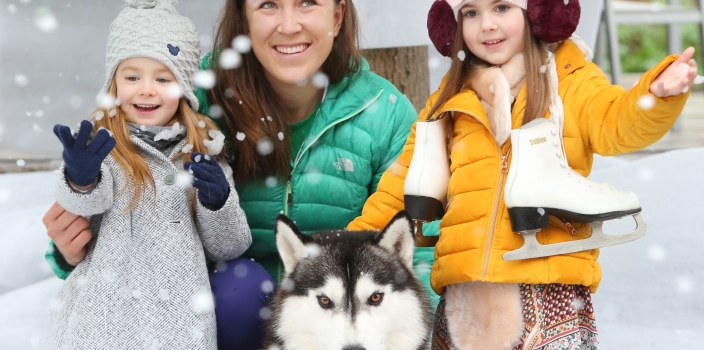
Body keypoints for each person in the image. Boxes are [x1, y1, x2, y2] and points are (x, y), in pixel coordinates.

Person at [43, 0, 437, 348]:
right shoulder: (189, 97)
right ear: (243, 19)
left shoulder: (383, 112)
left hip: (345, 318)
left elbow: (415, 245)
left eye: (307, 3)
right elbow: (120, 172)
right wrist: (71, 244)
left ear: (337, 15)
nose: (288, 24)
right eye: (267, 4)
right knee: (239, 285)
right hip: (221, 308)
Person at [347, 0, 698, 349]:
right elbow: (402, 183)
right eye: (470, 12)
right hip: (465, 292)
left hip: (549, 288)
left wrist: (655, 95)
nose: (486, 24)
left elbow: (616, 123)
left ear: (537, 11)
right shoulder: (451, 99)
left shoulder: (571, 82)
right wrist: (352, 245)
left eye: (501, 8)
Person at [43, 1, 252, 349]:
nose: (146, 89)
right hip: (102, 318)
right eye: (132, 77)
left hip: (178, 321)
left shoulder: (201, 153)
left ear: (183, 88)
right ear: (114, 83)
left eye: (163, 78)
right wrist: (81, 179)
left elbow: (228, 246)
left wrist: (218, 202)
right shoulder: (102, 148)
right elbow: (87, 203)